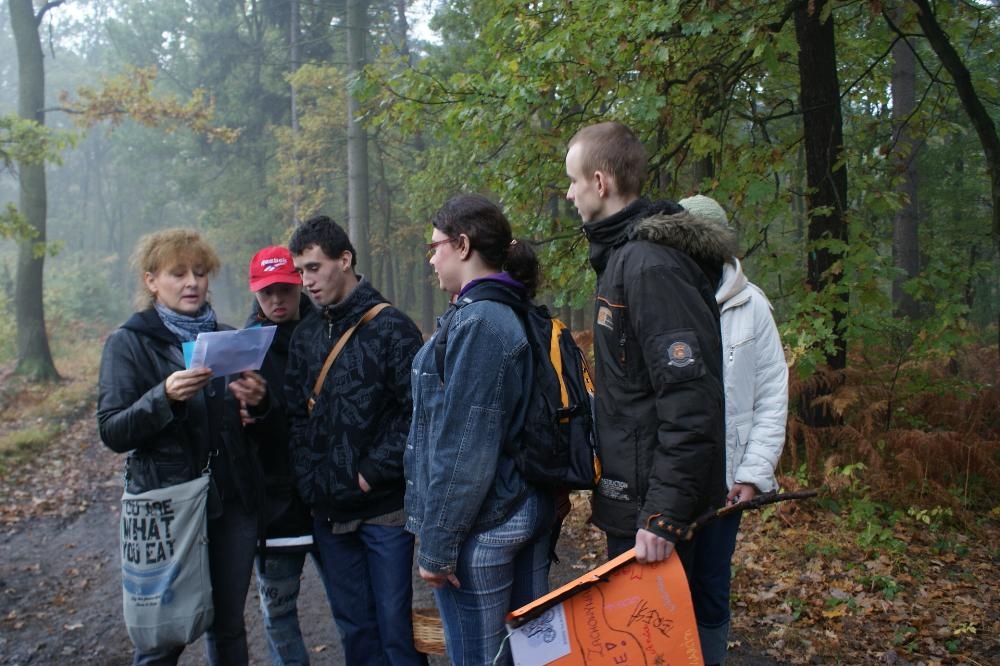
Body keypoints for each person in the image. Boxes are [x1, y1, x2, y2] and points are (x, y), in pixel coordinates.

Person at [563, 121, 733, 569]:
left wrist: (663, 514)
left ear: (600, 182)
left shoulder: (649, 267)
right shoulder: (623, 259)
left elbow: (690, 400)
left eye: (574, 181)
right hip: (636, 505)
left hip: (652, 519)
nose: (570, 194)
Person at [97, 228, 262, 665]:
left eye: (200, 272)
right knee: (162, 637)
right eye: (178, 273)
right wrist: (164, 396)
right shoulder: (128, 342)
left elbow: (253, 428)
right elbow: (112, 430)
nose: (192, 282)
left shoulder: (227, 338)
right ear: (151, 280)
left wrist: (259, 405)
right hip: (166, 508)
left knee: (229, 628)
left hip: (231, 505)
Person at [405, 194, 556, 666]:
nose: (432, 259)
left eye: (435, 247)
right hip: (520, 504)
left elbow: (464, 448)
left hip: (487, 522)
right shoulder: (508, 307)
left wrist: (438, 547)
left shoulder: (481, 322)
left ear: (463, 245)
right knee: (528, 657)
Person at [283, 216, 426, 666]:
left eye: (314, 267)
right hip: (329, 513)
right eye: (300, 272)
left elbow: (418, 414)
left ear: (344, 260)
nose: (306, 281)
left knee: (396, 631)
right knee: (356, 631)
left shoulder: (393, 327)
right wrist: (311, 480)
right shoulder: (305, 335)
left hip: (383, 510)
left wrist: (369, 473)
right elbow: (295, 416)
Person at [678, 194, 788, 665]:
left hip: (725, 483)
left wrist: (752, 474)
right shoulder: (663, 296)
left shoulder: (752, 306)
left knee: (711, 587)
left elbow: (771, 395)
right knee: (664, 589)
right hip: (671, 478)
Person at [238, 245, 318, 665]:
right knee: (279, 615)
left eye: (284, 289)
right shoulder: (242, 349)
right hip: (274, 505)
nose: (276, 299)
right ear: (254, 292)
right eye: (266, 292)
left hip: (330, 499)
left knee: (354, 609)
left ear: (299, 283)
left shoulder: (326, 332)